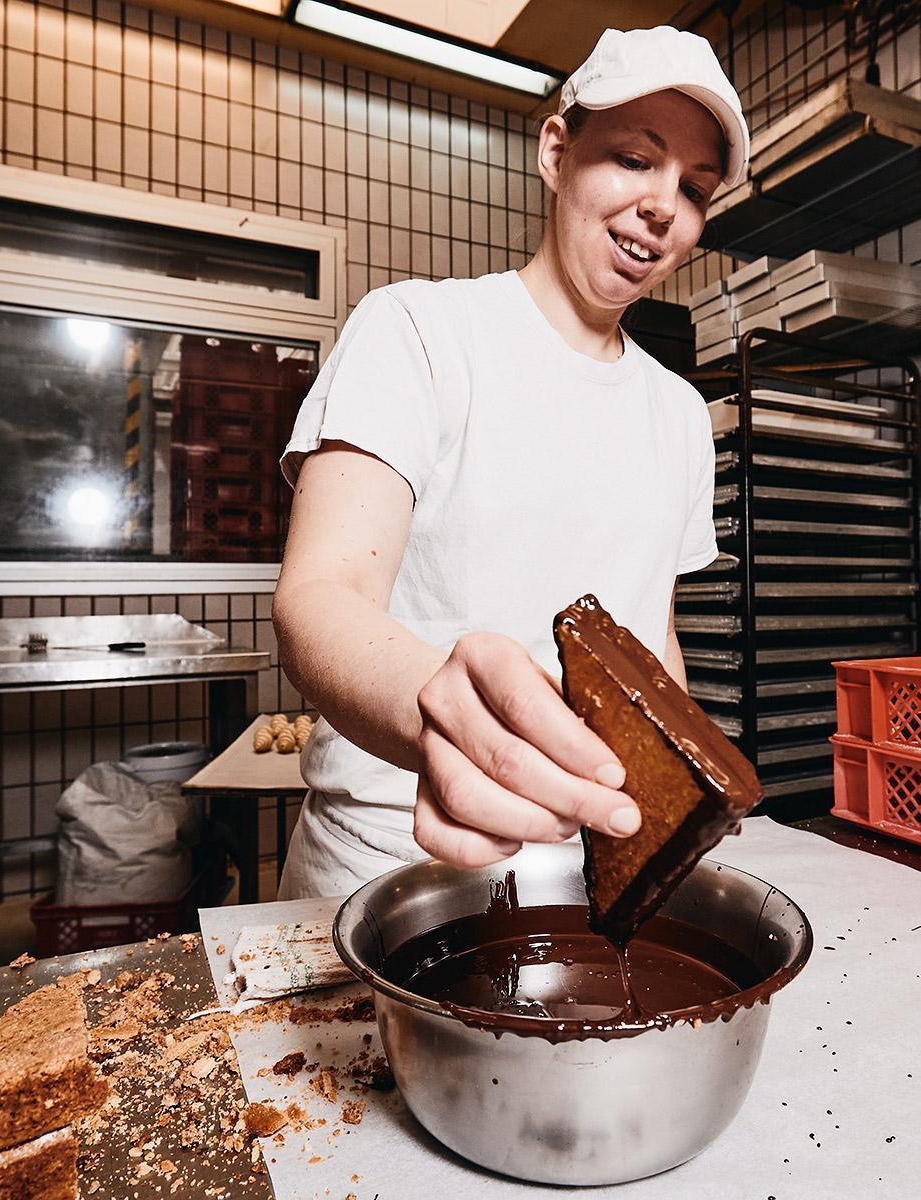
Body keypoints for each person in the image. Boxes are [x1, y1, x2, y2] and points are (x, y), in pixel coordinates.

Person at [270, 27, 748, 899]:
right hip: (386, 861)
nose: (663, 207)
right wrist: (442, 710)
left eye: (694, 188)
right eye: (634, 160)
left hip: (586, 867)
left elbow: (655, 638)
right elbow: (319, 599)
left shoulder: (679, 412)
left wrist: (672, 794)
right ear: (556, 153)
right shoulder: (419, 332)